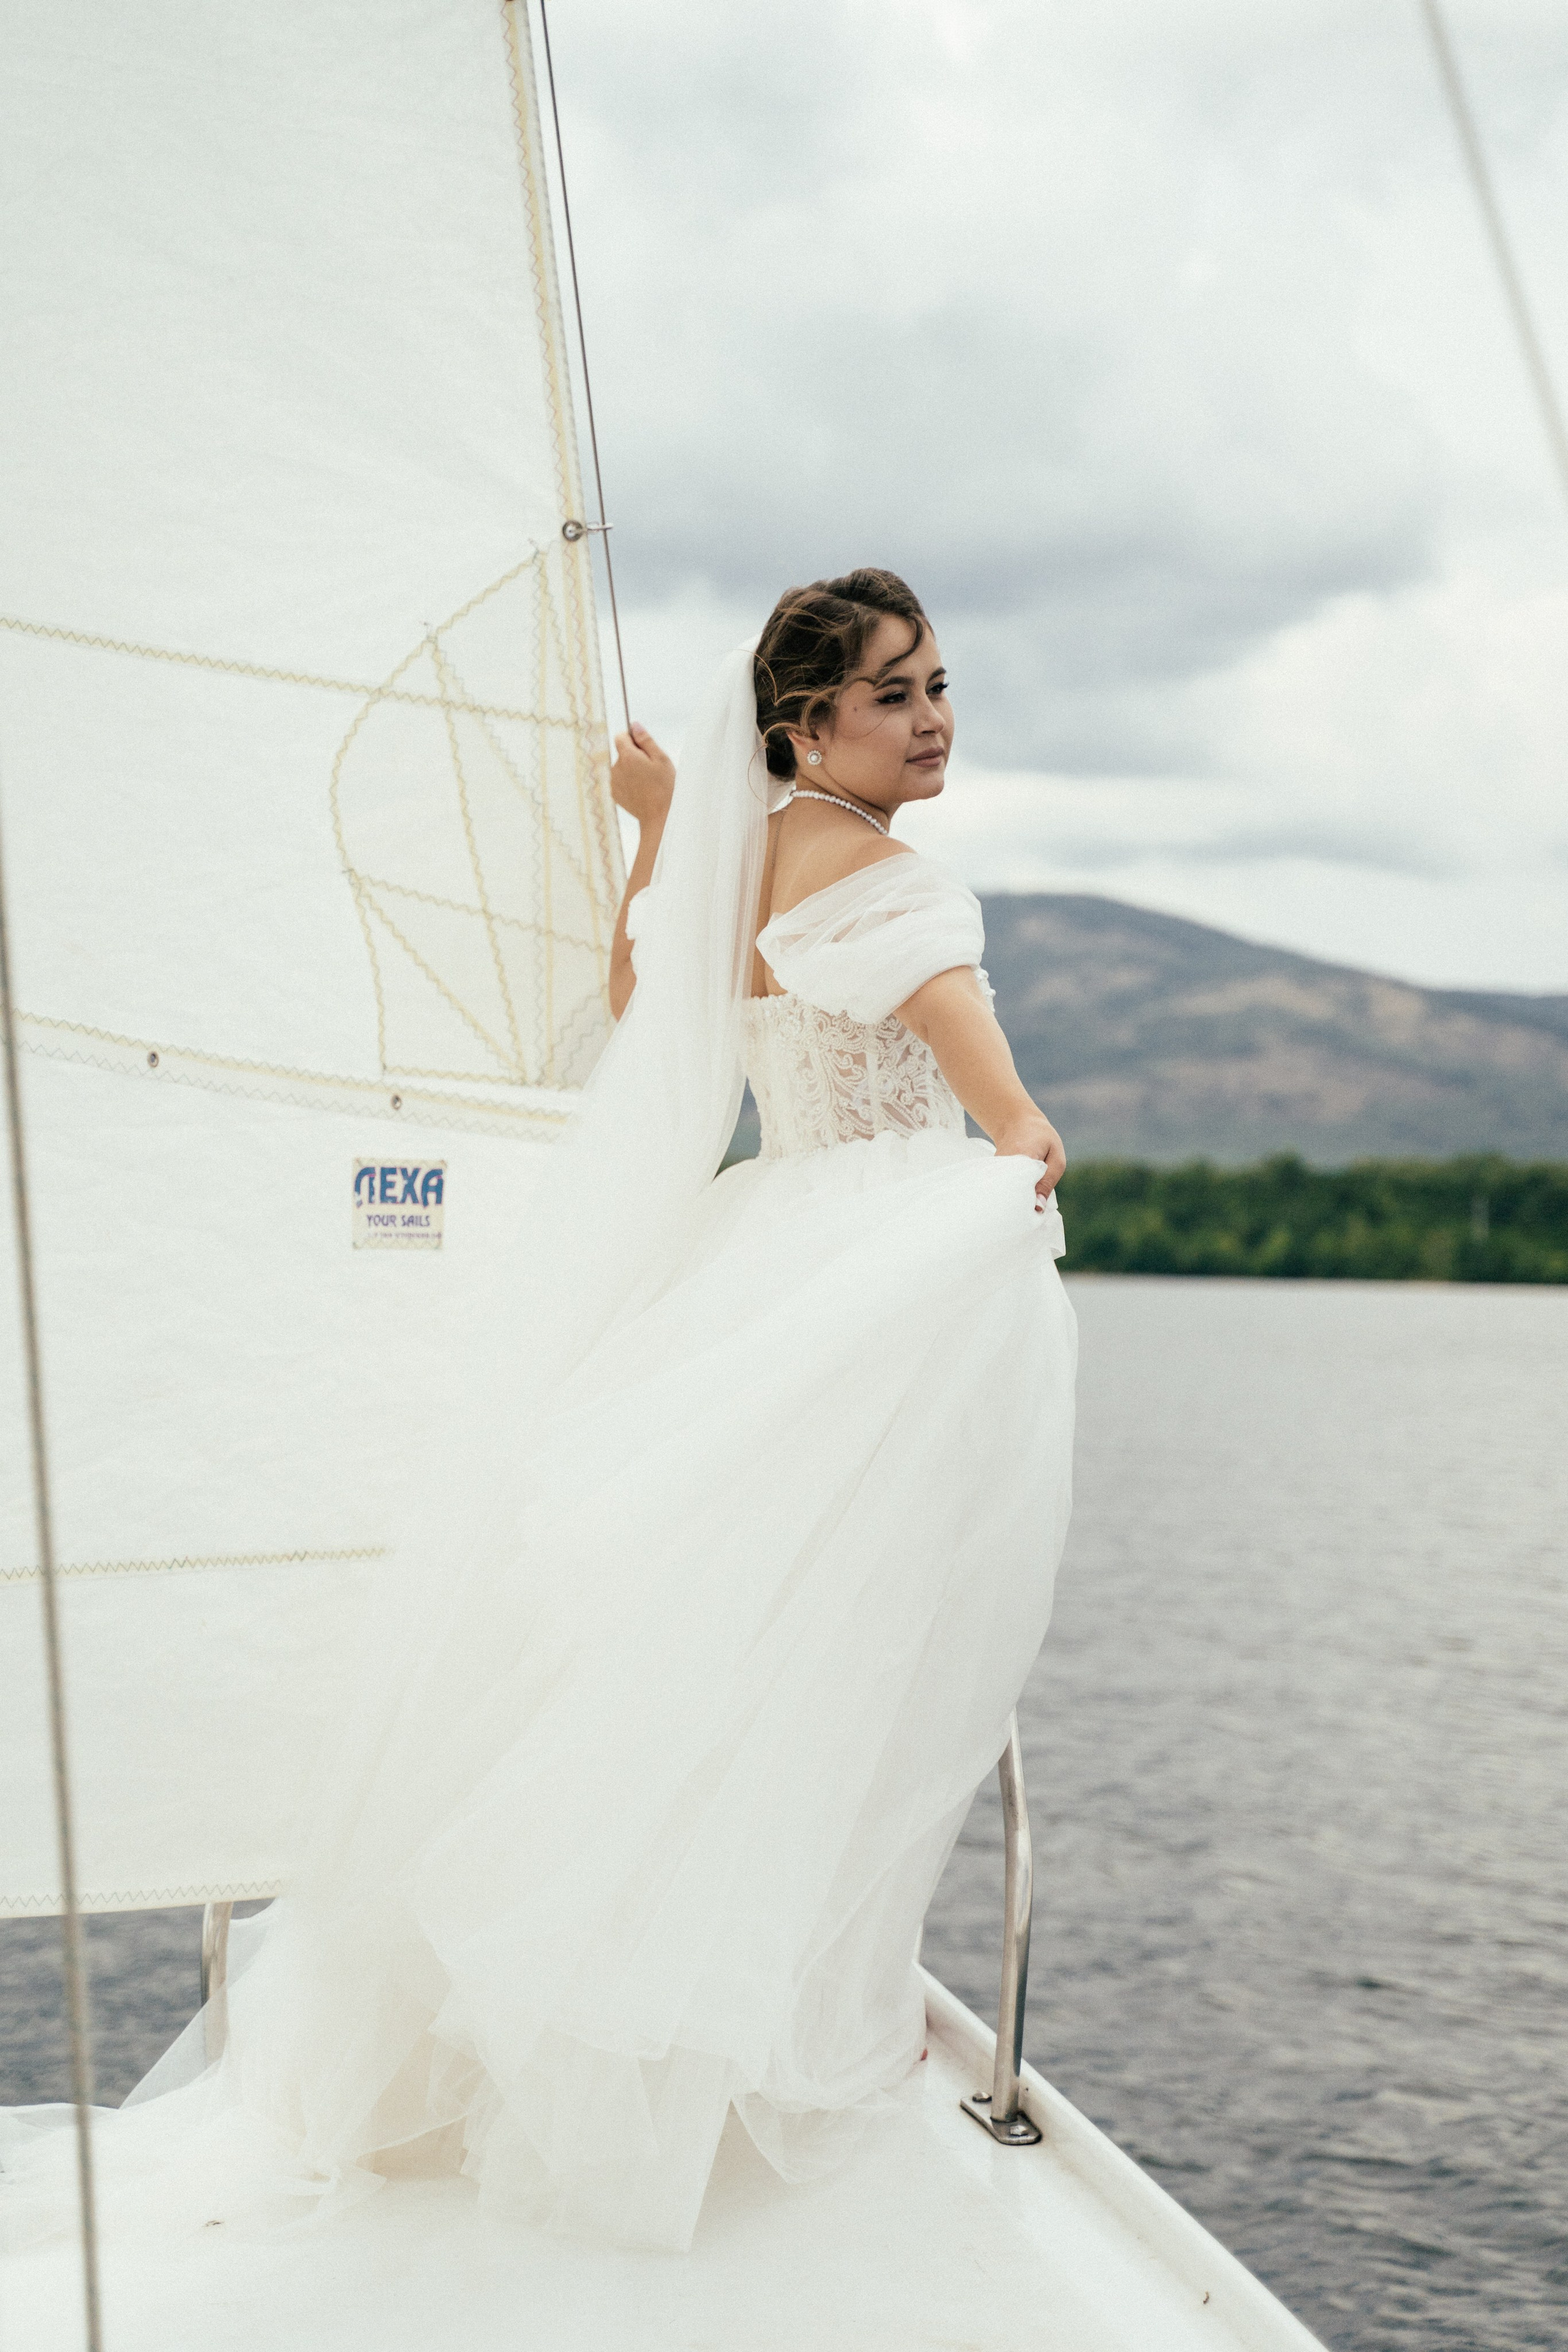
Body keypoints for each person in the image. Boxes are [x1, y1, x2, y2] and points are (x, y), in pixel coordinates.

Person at [1, 568, 1076, 2263]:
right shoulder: (895, 882)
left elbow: (652, 1012)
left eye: (941, 681)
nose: (934, 716)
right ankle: (758, 2017)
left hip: (764, 1258)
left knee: (713, 1651)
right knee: (845, 1654)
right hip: (863, 1276)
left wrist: (667, 825)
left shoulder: (741, 865)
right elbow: (1002, 1108)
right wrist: (1022, 1158)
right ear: (803, 728)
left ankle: (630, 1995)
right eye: (894, 693)